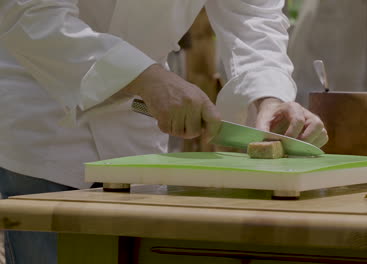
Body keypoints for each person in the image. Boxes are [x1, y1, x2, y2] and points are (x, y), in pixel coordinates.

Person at [0, 0, 328, 263]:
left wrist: (268, 94)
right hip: (46, 114)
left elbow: (254, 17)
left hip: (138, 136)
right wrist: (148, 79)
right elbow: (31, 14)